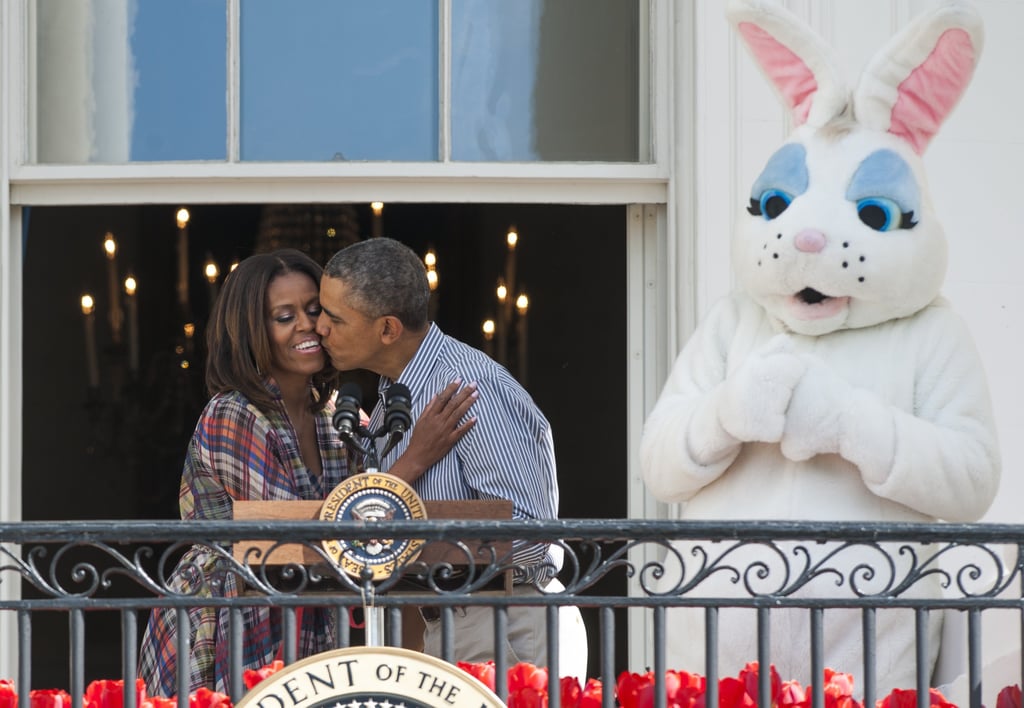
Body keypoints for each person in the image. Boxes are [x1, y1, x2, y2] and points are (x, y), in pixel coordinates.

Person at [138, 248, 476, 696]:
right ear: (253, 331)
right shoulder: (233, 414)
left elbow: (367, 522)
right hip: (224, 617)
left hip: (307, 615)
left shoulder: (334, 417)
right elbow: (291, 537)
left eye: (314, 310)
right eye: (284, 316)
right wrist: (414, 458)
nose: (307, 325)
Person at [315, 237, 561, 667]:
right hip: (458, 620)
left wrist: (412, 545)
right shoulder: (399, 388)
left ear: (387, 329)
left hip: (504, 626)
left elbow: (531, 532)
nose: (320, 328)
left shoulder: (465, 389)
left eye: (334, 318)